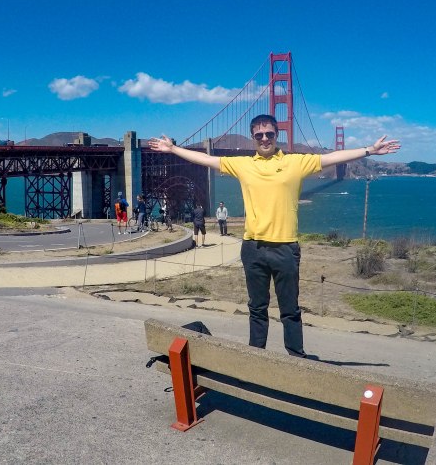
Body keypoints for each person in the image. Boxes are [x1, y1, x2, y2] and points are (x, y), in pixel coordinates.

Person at [148, 114, 400, 357]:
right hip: (253, 248)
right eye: (259, 135)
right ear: (253, 138)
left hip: (286, 248)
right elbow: (205, 159)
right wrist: (173, 149)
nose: (265, 138)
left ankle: (296, 359)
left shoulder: (295, 163)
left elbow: (331, 157)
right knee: (257, 308)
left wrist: (370, 150)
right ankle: (256, 358)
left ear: (277, 135)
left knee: (290, 309)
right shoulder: (243, 165)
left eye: (269, 134)